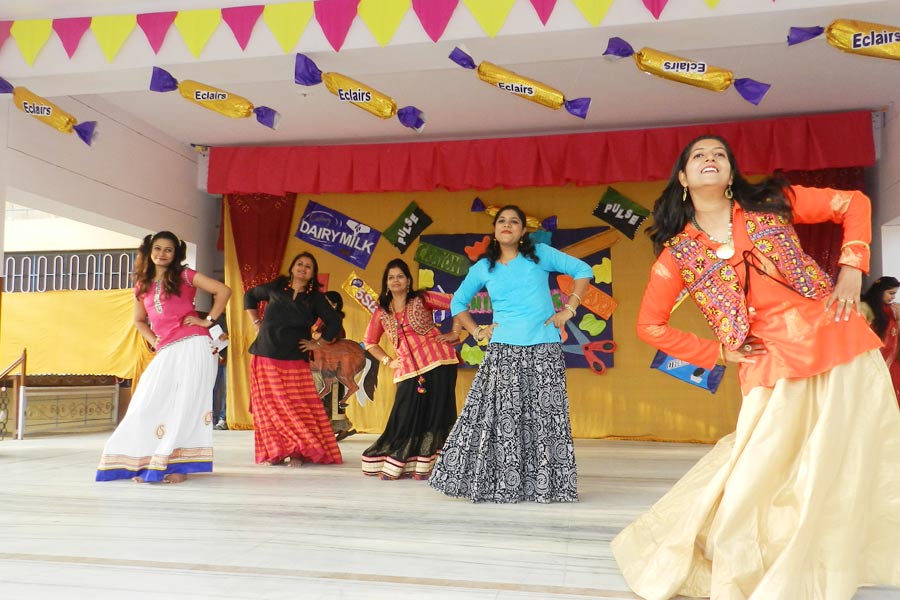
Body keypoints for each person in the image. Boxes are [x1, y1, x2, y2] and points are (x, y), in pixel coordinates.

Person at [612, 135, 900, 599]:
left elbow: (854, 202)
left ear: (731, 172)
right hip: (770, 360)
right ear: (683, 178)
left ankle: (829, 558)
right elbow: (649, 325)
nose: (710, 158)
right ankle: (759, 559)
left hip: (837, 338)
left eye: (719, 154)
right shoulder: (678, 254)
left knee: (841, 459)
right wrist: (717, 353)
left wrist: (852, 267)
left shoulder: (772, 202)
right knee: (757, 474)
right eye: (698, 155)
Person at [428, 205, 592, 503]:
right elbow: (457, 303)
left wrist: (569, 309)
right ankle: (504, 484)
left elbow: (583, 271)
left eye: (514, 221)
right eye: (501, 221)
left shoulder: (539, 254)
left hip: (544, 346)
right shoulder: (484, 267)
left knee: (545, 417)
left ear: (523, 230)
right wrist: (477, 331)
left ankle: (546, 486)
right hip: (503, 350)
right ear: (494, 230)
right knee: (503, 418)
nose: (507, 225)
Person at [96, 231, 231, 483]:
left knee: (185, 404)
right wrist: (154, 340)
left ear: (175, 254)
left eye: (168, 249)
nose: (162, 254)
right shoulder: (142, 285)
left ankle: (178, 466)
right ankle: (147, 461)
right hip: (167, 349)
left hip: (195, 344)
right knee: (146, 401)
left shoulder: (185, 275)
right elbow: (139, 320)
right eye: (157, 248)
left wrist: (207, 320)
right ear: (150, 251)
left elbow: (223, 290)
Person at [361, 259, 460, 480]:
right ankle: (402, 463)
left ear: (408, 281)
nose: (396, 280)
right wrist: (388, 361)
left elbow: (458, 302)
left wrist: (455, 332)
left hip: (438, 363)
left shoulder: (422, 299)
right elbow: (369, 342)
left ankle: (430, 466)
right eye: (391, 277)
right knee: (404, 416)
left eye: (400, 276)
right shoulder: (382, 312)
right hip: (407, 370)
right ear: (386, 283)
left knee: (436, 415)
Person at [244, 251, 343, 466]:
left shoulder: (315, 298)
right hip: (265, 353)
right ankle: (276, 451)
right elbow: (249, 296)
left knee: (295, 406)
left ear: (313, 273)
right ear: (292, 268)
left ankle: (298, 451)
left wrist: (318, 343)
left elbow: (334, 322)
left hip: (294, 358)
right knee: (270, 406)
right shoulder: (276, 288)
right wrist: (256, 322)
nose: (303, 268)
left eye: (308, 266)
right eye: (300, 264)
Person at [860, 275, 900, 406]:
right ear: (880, 290)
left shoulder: (893, 309)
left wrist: (898, 318)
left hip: (892, 361)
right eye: (891, 293)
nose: (893, 297)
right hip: (872, 360)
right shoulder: (865, 307)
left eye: (895, 294)